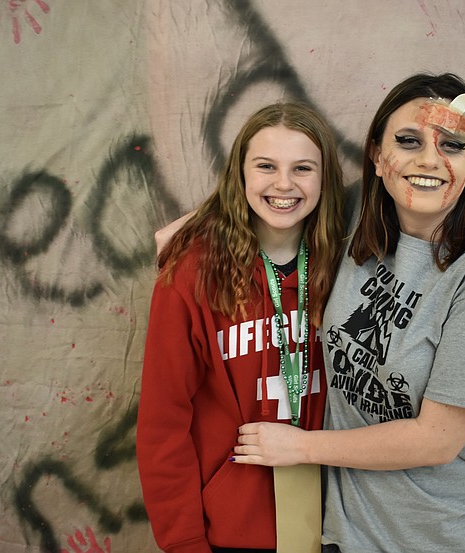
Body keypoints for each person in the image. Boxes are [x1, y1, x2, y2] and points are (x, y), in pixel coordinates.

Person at [232, 73, 465, 553]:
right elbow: (272, 198)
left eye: (452, 146)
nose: (428, 160)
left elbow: (436, 441)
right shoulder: (356, 216)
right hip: (354, 536)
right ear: (377, 155)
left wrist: (301, 447)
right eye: (409, 140)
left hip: (460, 539)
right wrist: (183, 237)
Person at [136, 102, 345, 553]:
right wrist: (186, 543)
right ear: (240, 174)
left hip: (346, 526)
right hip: (232, 530)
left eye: (303, 168)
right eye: (266, 166)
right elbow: (163, 423)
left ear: (325, 178)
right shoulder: (192, 274)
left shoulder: (352, 267)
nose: (284, 184)